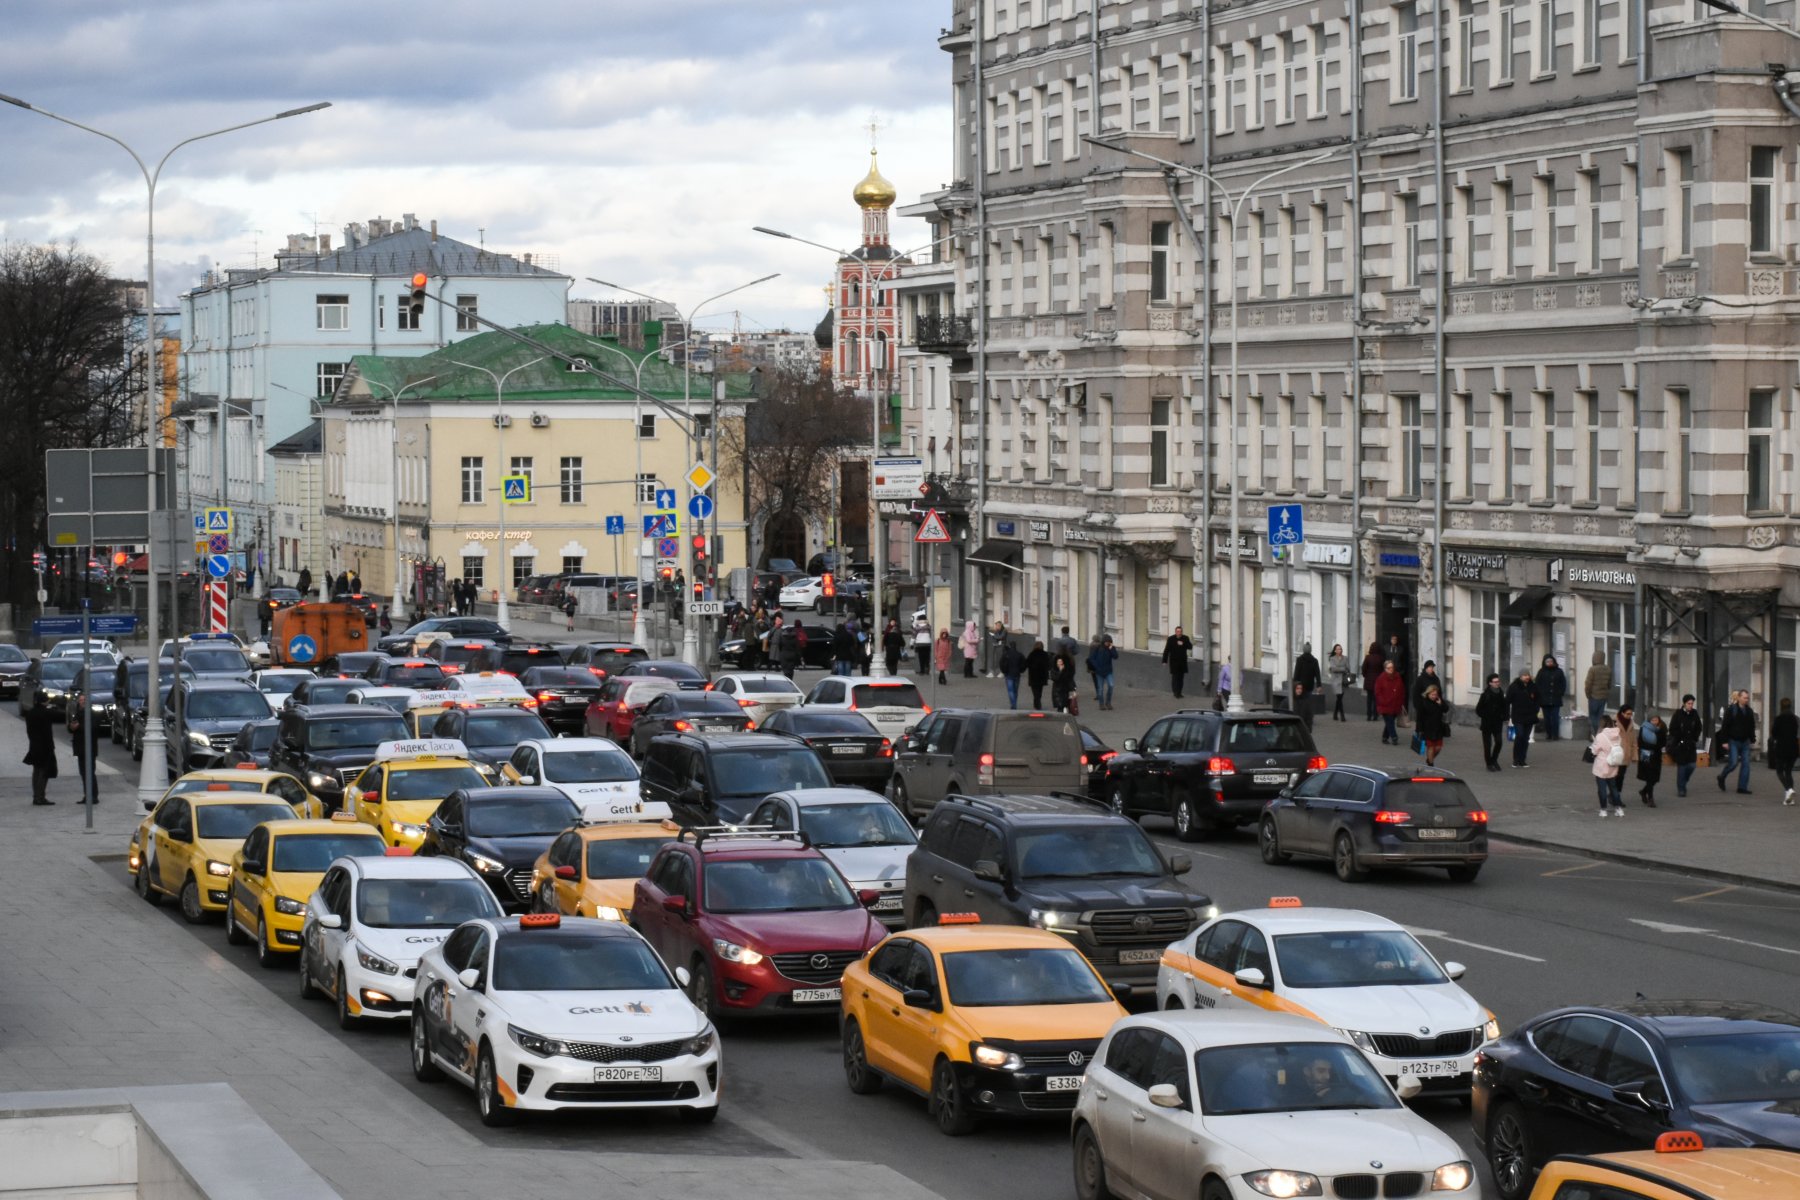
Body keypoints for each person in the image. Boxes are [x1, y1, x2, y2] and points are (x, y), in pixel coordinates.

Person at [1718, 690, 1758, 794]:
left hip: (1745, 741)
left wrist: (1752, 738)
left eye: (1747, 698)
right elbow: (1725, 726)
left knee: (1746, 764)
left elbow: (1751, 726)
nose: (1746, 700)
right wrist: (1724, 741)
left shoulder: (1749, 711)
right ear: (1739, 698)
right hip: (1733, 740)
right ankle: (1722, 776)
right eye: (1744, 698)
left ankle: (1742, 787)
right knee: (1733, 763)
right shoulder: (1731, 710)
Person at [23, 692, 58, 805]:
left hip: (34, 744)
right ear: (45, 701)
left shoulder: (31, 713)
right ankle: (40, 796)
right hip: (45, 746)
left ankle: (36, 796)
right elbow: (48, 730)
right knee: (44, 772)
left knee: (36, 771)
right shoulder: (45, 713)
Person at [1589, 714, 1626, 817]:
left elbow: (1595, 750)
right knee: (1613, 788)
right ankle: (1619, 809)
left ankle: (1603, 810)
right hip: (1613, 764)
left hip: (1602, 765)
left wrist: (1593, 744)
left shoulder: (1600, 736)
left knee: (1602, 789)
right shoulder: (1617, 734)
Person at [1668, 694, 1703, 798]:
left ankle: (1684, 781)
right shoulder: (1678, 714)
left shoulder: (1694, 714)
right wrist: (1679, 738)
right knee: (1682, 767)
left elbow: (1698, 727)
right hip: (1680, 745)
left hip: (1691, 744)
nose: (1691, 706)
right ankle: (1681, 789)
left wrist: (1695, 738)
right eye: (1689, 703)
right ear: (1684, 703)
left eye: (1692, 703)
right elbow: (1672, 728)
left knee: (1692, 765)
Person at [1506, 668, 1539, 768]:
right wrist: (1506, 715)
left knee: (1526, 738)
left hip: (1530, 716)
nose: (1527, 677)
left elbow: (1538, 698)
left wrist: (1536, 709)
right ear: (1520, 676)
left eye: (1528, 675)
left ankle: (1522, 759)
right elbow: (1507, 701)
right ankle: (1516, 759)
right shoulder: (1513, 687)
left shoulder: (1533, 686)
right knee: (1519, 735)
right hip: (1518, 716)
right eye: (1524, 675)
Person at [1475, 673, 1508, 772]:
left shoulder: (1501, 693)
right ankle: (1489, 763)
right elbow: (1478, 709)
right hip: (1487, 724)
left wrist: (1505, 715)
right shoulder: (1485, 695)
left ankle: (1494, 760)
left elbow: (1504, 706)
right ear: (1490, 683)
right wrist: (1486, 715)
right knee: (1487, 745)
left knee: (1499, 742)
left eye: (1498, 681)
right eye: (1495, 682)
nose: (1498, 683)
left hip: (1498, 723)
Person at [1772, 699, 1799, 806]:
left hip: (1781, 748)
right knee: (1788, 771)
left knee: (1779, 771)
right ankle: (1789, 799)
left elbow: (1774, 733)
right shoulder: (1795, 719)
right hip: (1793, 748)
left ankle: (1789, 789)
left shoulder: (1778, 719)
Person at [1535, 655, 1568, 740]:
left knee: (1555, 717)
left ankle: (1555, 735)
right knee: (1547, 718)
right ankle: (1548, 734)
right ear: (1544, 663)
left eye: (1551, 661)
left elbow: (1563, 683)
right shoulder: (1541, 672)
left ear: (1554, 662)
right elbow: (1537, 684)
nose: (1549, 663)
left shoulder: (1559, 671)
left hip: (1555, 698)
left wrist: (1560, 692)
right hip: (1544, 699)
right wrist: (1539, 695)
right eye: (1547, 662)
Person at [1374, 660, 1407, 746]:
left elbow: (1402, 689)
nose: (1391, 669)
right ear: (1385, 668)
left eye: (1392, 667)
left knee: (1390, 721)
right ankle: (1394, 737)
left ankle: (1385, 737)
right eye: (1389, 668)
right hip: (1385, 705)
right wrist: (1383, 701)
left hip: (1396, 704)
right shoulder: (1381, 678)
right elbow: (1378, 692)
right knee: (1390, 721)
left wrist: (1401, 700)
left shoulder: (1397, 676)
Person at [1415, 683, 1449, 766]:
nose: (1434, 696)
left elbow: (1446, 709)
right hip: (1427, 728)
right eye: (1432, 694)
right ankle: (1431, 764)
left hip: (1438, 728)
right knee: (1431, 747)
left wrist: (1441, 704)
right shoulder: (1423, 703)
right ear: (1428, 694)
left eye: (1435, 694)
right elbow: (1419, 718)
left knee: (1438, 748)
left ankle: (1430, 759)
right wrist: (1419, 729)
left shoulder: (1439, 700)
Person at [1291, 642, 1322, 731]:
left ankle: (1300, 716)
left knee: (1299, 701)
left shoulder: (1300, 659)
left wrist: (1294, 683)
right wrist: (1319, 685)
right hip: (1309, 685)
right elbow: (1317, 674)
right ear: (1310, 650)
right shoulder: (1314, 660)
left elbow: (1297, 672)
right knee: (1307, 701)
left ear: (1303, 649)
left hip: (1300, 685)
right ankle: (1308, 716)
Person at [1637, 714, 1665, 807]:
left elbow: (1663, 742)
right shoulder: (1643, 728)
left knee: (1655, 778)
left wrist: (1656, 746)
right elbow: (1641, 743)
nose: (1655, 722)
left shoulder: (1661, 728)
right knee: (1649, 778)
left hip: (1656, 756)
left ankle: (1643, 791)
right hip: (1646, 756)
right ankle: (1651, 798)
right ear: (1649, 720)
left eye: (1656, 720)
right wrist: (1653, 747)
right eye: (1653, 720)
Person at [1583, 650, 1613, 733]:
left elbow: (1588, 684)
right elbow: (1609, 684)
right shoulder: (1608, 669)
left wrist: (1588, 695)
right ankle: (1599, 733)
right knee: (1600, 717)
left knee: (1592, 717)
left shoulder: (1592, 669)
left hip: (1594, 697)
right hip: (1603, 697)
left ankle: (1594, 734)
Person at [1162, 626, 1193, 699]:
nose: (1179, 633)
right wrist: (1164, 661)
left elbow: (1190, 647)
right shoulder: (1171, 639)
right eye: (1178, 631)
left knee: (1181, 678)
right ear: (1175, 632)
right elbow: (1166, 650)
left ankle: (1179, 692)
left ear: (1182, 632)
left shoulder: (1185, 638)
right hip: (1174, 662)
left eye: (1180, 631)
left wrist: (1183, 644)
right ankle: (1175, 692)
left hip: (1182, 662)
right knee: (1175, 677)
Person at [1088, 635, 1118, 711]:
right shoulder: (1097, 648)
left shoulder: (1111, 648)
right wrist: (1097, 666)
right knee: (1100, 689)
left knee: (1111, 685)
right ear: (1104, 641)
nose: (1108, 644)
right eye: (1107, 642)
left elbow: (1115, 656)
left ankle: (1108, 702)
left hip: (1108, 671)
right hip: (1099, 672)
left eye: (1109, 642)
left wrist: (1112, 649)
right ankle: (1101, 704)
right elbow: (1092, 658)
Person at [1360, 642, 1385, 721]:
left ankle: (1369, 715)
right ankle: (1375, 715)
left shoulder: (1368, 657)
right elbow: (1383, 670)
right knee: (1376, 699)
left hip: (1368, 681)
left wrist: (1365, 675)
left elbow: (1363, 668)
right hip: (1378, 681)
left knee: (1369, 699)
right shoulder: (1381, 658)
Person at [1327, 644, 1351, 722]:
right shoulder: (1332, 659)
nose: (1340, 650)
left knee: (1339, 698)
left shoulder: (1345, 658)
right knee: (1339, 698)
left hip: (1343, 681)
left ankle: (1335, 714)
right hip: (1335, 681)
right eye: (1338, 649)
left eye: (1340, 649)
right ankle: (1342, 715)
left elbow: (1348, 668)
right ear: (1335, 650)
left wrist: (1342, 669)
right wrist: (1343, 669)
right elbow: (1333, 669)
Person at [1025, 639, 1050, 709]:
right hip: (1042, 676)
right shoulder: (1045, 654)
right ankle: (1037, 703)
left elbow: (1027, 663)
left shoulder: (1032, 654)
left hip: (1033, 676)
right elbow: (1048, 664)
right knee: (1039, 691)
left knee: (1035, 691)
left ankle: (1037, 703)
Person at [999, 639, 1025, 709]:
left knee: (1010, 690)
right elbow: (1024, 664)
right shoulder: (1019, 654)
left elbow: (1001, 663)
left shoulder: (1006, 654)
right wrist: (1021, 670)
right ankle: (1014, 703)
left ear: (1010, 646)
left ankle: (1013, 704)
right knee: (1015, 690)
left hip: (1009, 674)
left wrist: (1004, 671)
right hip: (1017, 674)